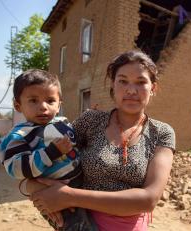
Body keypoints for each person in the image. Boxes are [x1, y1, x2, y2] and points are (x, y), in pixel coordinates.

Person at [30, 50, 175, 231]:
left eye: (141, 82)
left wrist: (69, 196)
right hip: (80, 224)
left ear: (152, 88)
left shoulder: (161, 133)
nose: (131, 90)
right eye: (123, 81)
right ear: (113, 85)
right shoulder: (90, 121)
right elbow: (44, 154)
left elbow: (149, 199)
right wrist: (30, 186)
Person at [0, 69, 97, 231]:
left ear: (59, 105)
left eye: (50, 101)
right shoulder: (20, 135)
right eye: (33, 101)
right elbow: (16, 168)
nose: (43, 107)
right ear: (18, 105)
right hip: (54, 193)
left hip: (82, 183)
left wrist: (91, 121)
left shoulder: (62, 123)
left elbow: (76, 142)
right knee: (79, 227)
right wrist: (51, 152)